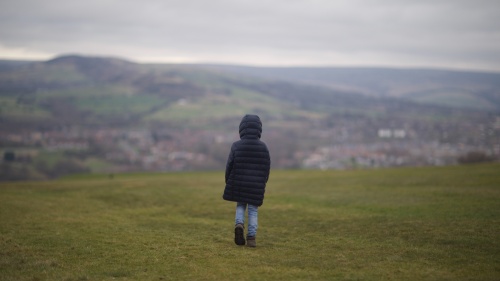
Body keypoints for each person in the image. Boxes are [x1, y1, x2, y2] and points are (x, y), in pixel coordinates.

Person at [223, 114, 271, 247]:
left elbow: (229, 165)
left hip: (239, 182)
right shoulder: (263, 147)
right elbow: (266, 167)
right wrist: (264, 181)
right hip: (256, 184)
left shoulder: (236, 146)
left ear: (242, 128)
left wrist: (228, 180)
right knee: (253, 210)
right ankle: (251, 238)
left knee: (240, 205)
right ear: (259, 129)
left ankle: (239, 224)